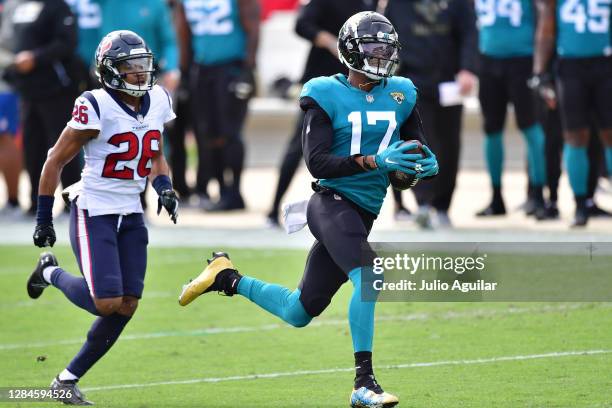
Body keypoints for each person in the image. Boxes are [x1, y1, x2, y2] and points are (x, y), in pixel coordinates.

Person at [178, 12, 438, 408]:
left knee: (300, 310)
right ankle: (363, 383)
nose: (382, 54)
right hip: (330, 201)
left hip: (364, 211)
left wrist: (421, 169)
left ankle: (225, 276)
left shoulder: (402, 92)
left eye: (387, 47)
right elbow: (317, 162)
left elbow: (411, 157)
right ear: (351, 49)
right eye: (373, 46)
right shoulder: (323, 92)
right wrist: (374, 162)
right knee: (368, 276)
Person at [27, 31, 179, 405]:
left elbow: (155, 154)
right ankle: (49, 272)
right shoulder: (94, 104)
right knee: (106, 302)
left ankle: (66, 380)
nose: (141, 74)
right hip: (94, 209)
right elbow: (55, 159)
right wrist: (44, 217)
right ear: (110, 71)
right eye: (131, 68)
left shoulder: (158, 99)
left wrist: (164, 187)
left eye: (143, 65)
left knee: (127, 304)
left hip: (131, 210)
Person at [265, 0, 377, 227]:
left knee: (373, 140)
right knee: (300, 145)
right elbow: (302, 24)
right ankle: (273, 207)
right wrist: (331, 42)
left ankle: (373, 207)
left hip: (357, 83)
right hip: (323, 82)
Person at [384, 0, 478, 228]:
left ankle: (443, 205)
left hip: (449, 84)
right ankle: (423, 203)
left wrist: (467, 69)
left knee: (449, 145)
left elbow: (470, 33)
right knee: (417, 142)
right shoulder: (397, 4)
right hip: (412, 81)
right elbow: (388, 38)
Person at [533, 0, 612, 226]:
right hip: (570, 67)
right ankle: (580, 204)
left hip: (605, 63)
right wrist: (539, 72)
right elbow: (546, 28)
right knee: (574, 136)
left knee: (609, 135)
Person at [177, 0, 260, 211]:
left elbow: (253, 27)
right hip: (201, 68)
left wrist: (248, 68)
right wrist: (184, 72)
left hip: (231, 67)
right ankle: (222, 189)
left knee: (230, 132)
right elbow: (183, 33)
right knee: (207, 134)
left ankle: (235, 191)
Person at [4, 0, 82, 216]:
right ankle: (36, 204)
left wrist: (36, 58)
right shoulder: (17, 7)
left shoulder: (59, 7)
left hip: (56, 89)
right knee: (32, 149)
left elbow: (67, 43)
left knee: (64, 148)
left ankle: (72, 202)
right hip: (28, 91)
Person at [475, 0, 547, 218]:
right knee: (492, 130)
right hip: (488, 60)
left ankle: (538, 194)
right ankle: (496, 196)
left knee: (531, 127)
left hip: (523, 61)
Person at [0, 0, 22, 217]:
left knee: (3, 138)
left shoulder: (13, 5)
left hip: (3, 82)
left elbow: (12, 43)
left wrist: (12, 61)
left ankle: (13, 201)